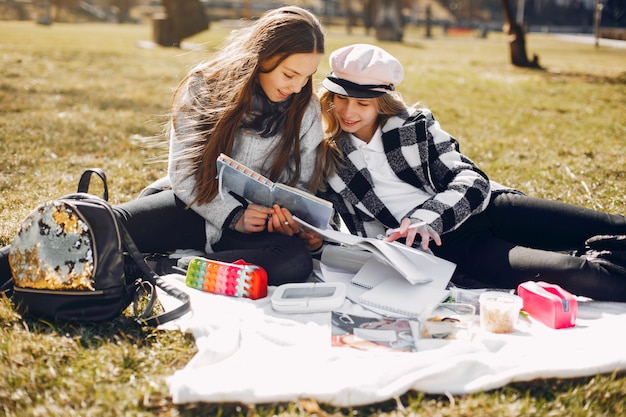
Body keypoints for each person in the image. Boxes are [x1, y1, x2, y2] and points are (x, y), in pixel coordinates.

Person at [0, 6, 325, 288]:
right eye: (289, 74)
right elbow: (183, 174)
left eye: (306, 77)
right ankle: (9, 262)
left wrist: (287, 219)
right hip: (192, 206)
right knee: (103, 229)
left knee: (294, 264)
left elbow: (300, 185)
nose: (296, 87)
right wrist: (234, 215)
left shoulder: (305, 109)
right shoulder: (206, 87)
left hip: (253, 232)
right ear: (263, 56)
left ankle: (161, 266)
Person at [311, 43, 626, 301]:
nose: (348, 112)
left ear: (381, 103)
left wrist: (426, 217)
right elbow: (336, 230)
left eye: (362, 104)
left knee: (613, 226)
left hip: (490, 207)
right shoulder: (329, 157)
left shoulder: (414, 128)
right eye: (340, 99)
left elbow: (471, 180)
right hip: (451, 246)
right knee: (575, 271)